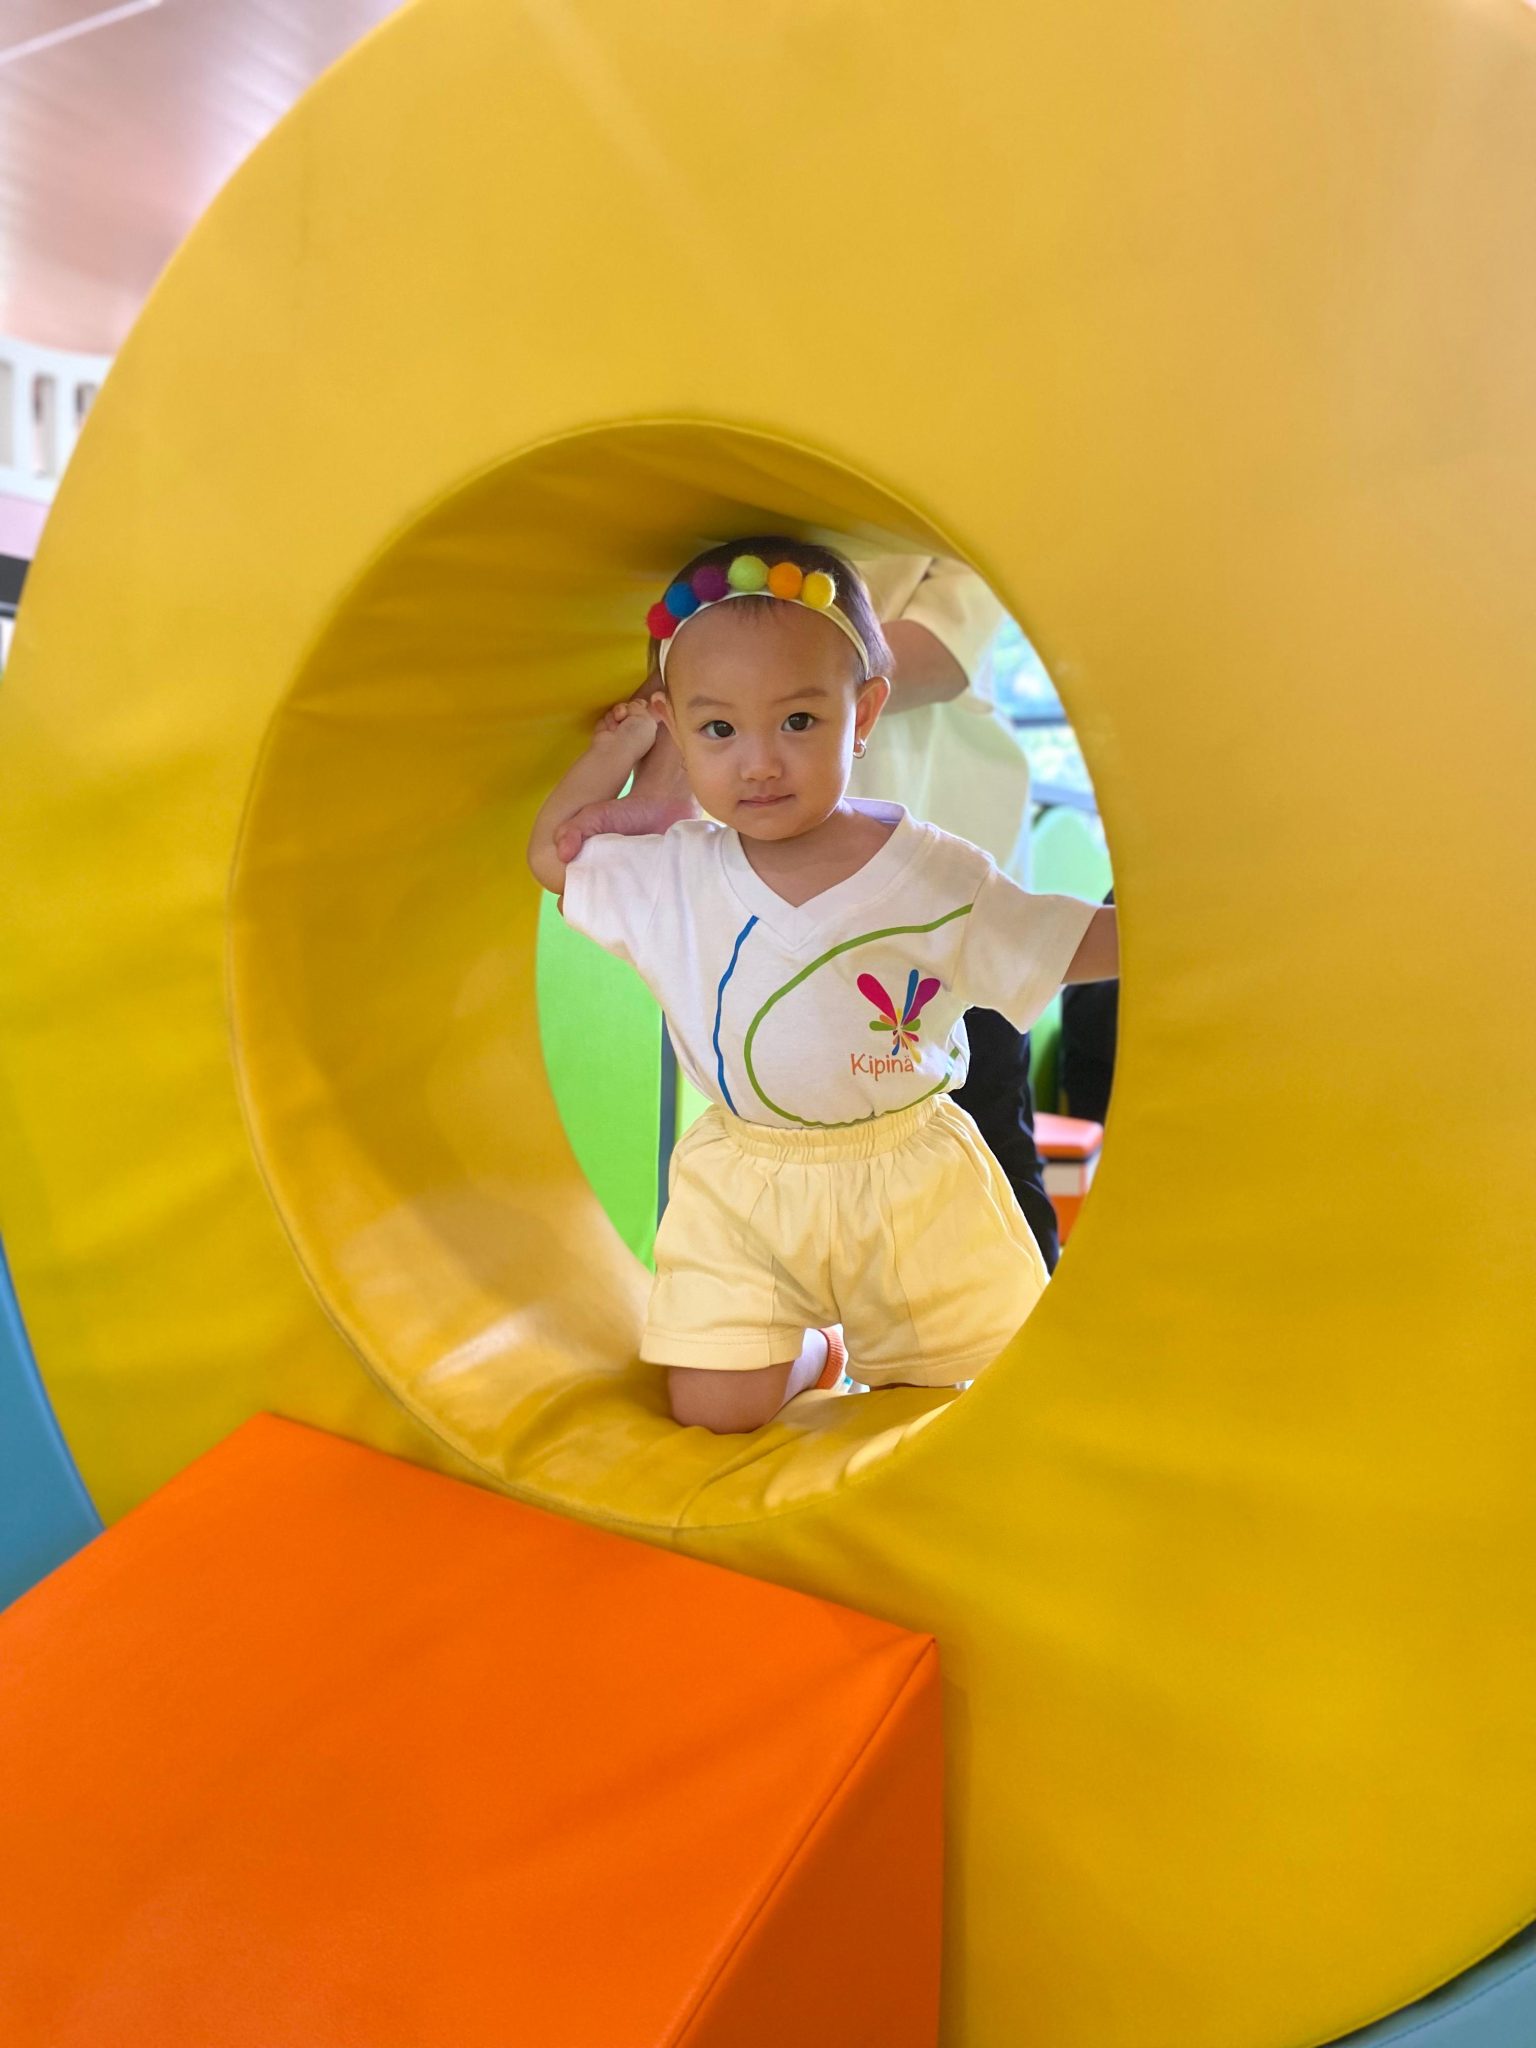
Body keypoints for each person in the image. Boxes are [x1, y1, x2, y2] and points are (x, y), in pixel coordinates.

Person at [528, 537, 1118, 1435]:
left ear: (864, 710)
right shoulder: (675, 873)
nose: (759, 763)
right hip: (745, 1184)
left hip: (907, 1176)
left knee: (969, 1401)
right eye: (718, 731)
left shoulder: (927, 870)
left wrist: (1170, 931)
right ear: (683, 733)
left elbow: (1049, 939)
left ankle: (880, 1350)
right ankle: (817, 1351)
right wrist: (626, 752)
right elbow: (552, 855)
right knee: (714, 1408)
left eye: (798, 723)